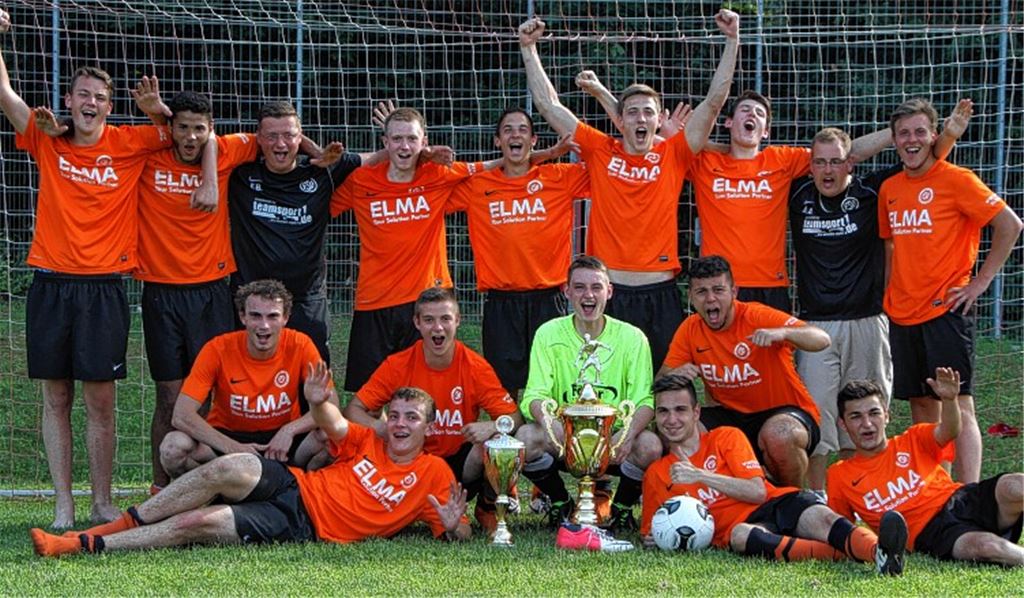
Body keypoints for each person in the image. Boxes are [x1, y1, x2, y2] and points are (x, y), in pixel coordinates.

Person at [0, 10, 210, 528]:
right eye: (82, 94)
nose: (90, 102)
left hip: (104, 289)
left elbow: (189, 135)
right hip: (50, 284)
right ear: (68, 100)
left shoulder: (129, 143)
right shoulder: (48, 139)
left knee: (100, 400)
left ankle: (99, 501)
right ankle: (63, 505)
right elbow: (4, 95)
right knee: (56, 397)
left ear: (109, 107)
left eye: (99, 96)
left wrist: (157, 110)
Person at [517, 10, 739, 372]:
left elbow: (714, 103)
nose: (640, 118)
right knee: (602, 384)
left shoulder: (675, 153)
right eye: (632, 112)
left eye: (648, 112)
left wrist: (732, 40)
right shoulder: (600, 150)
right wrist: (528, 48)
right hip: (612, 292)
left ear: (658, 119)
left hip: (660, 291)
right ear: (620, 120)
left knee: (667, 383)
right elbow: (549, 105)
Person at [30, 381, 472, 557]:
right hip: (296, 483)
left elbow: (461, 534)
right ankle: (108, 526)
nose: (400, 425)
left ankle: (86, 545)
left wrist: (456, 526)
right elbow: (335, 423)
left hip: (302, 524)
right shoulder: (369, 438)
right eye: (395, 415)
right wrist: (318, 401)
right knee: (231, 465)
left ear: (429, 427)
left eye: (412, 418)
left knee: (195, 523)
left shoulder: (434, 473)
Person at [788, 102, 972, 497]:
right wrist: (889, 133)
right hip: (816, 324)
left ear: (851, 163)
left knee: (863, 416)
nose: (828, 170)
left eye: (837, 161)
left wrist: (942, 135)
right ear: (810, 166)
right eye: (819, 162)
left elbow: (921, 155)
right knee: (817, 416)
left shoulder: (874, 190)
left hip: (869, 320)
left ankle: (863, 493)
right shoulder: (797, 193)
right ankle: (818, 499)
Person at [879, 97, 1023, 483]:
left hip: (947, 310)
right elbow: (890, 246)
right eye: (904, 133)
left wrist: (981, 282)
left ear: (934, 136)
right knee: (922, 407)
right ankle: (935, 493)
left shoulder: (957, 179)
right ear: (894, 140)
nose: (911, 140)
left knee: (958, 403)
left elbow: (1010, 225)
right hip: (902, 313)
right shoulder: (890, 188)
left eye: (919, 132)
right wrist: (890, 293)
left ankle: (968, 493)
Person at [641, 374, 908, 575]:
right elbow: (652, 531)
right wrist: (655, 538)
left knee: (821, 517)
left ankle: (880, 552)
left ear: (696, 412)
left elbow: (757, 492)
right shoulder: (656, 474)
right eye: (663, 411)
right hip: (746, 529)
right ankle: (854, 553)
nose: (671, 420)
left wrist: (700, 476)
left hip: (776, 502)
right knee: (741, 536)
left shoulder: (726, 438)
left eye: (680, 410)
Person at [131, 88, 261, 492]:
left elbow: (280, 137)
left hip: (210, 292)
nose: (190, 137)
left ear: (211, 130)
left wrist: (319, 154)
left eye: (199, 129)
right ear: (170, 128)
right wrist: (157, 116)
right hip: (160, 292)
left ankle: (204, 486)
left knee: (207, 397)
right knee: (169, 398)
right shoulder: (149, 154)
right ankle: (159, 488)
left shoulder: (226, 152)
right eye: (183, 127)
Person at [343, 287, 522, 531]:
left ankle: (488, 507)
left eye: (445, 319)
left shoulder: (475, 367)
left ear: (457, 320)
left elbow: (514, 417)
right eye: (429, 320)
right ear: (417, 323)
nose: (438, 328)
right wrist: (380, 427)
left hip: (459, 467)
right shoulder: (398, 365)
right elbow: (353, 410)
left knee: (497, 444)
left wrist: (492, 425)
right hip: (411, 463)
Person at [330, 107, 484, 392]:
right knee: (368, 396)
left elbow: (496, 169)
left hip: (426, 298)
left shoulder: (437, 175)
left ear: (424, 142)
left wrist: (545, 155)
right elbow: (321, 203)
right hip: (374, 300)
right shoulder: (361, 180)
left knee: (427, 390)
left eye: (412, 139)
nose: (404, 146)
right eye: (396, 138)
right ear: (384, 142)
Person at [448, 108, 589, 395]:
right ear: (497, 141)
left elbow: (606, 169)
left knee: (554, 383)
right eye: (508, 130)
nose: (515, 135)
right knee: (503, 388)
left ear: (533, 140)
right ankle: (508, 425)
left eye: (523, 130)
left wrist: (551, 156)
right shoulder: (478, 185)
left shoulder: (558, 176)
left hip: (548, 297)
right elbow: (437, 184)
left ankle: (549, 426)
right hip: (501, 301)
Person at [659, 255, 829, 487]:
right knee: (676, 427)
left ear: (734, 291)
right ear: (690, 296)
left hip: (784, 413)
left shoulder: (756, 316)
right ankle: (703, 499)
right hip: (730, 415)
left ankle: (790, 498)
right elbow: (661, 380)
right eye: (701, 292)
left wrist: (783, 333)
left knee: (779, 434)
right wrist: (676, 375)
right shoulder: (690, 329)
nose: (710, 299)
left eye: (718, 290)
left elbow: (821, 339)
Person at [516, 256, 659, 532]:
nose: (588, 295)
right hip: (565, 438)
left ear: (609, 291)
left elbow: (645, 401)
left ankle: (621, 509)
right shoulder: (548, 333)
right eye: (579, 287)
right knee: (525, 439)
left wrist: (626, 435)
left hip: (613, 439)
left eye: (596, 287)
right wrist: (553, 426)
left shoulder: (632, 338)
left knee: (650, 445)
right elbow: (534, 395)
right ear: (567, 291)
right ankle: (561, 502)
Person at [828, 372, 1023, 566]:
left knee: (1013, 484)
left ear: (886, 416)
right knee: (987, 546)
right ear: (843, 424)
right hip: (932, 532)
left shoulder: (914, 438)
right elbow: (843, 532)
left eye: (874, 413)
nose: (867, 424)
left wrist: (949, 400)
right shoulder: (840, 474)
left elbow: (949, 431)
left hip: (962, 499)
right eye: (856, 416)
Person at [227, 100, 365, 363]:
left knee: (314, 377)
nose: (280, 144)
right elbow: (196, 140)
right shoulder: (239, 174)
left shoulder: (323, 171)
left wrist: (422, 151)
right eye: (271, 136)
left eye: (289, 135)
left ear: (300, 137)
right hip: (251, 299)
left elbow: (380, 158)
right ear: (258, 139)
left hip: (306, 298)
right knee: (248, 374)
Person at [159, 280, 330, 479]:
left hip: (283, 442)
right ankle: (212, 490)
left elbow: (332, 406)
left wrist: (289, 431)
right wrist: (233, 448)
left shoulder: (300, 344)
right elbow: (181, 415)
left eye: (272, 316)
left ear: (285, 318)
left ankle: (305, 491)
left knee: (332, 436)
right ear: (243, 317)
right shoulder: (217, 349)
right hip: (229, 437)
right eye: (255, 316)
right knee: (173, 447)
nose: (264, 325)